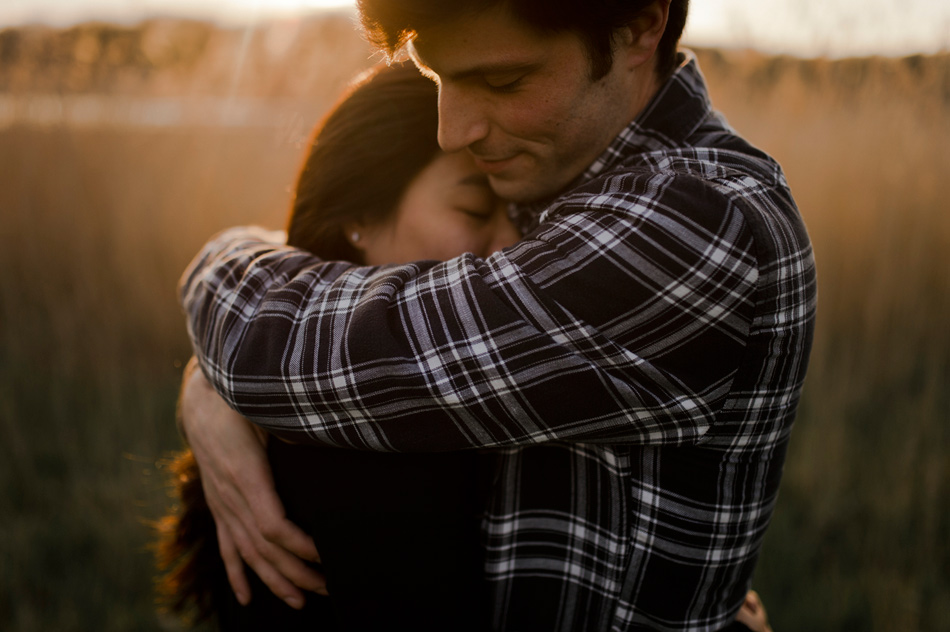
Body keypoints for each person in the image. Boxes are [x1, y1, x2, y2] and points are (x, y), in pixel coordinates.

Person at [178, 0, 817, 629]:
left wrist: (219, 333)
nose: (451, 131)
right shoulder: (563, 180)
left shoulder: (695, 223)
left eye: (501, 81)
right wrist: (214, 380)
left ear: (640, 26)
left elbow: (306, 355)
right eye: (435, 78)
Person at [158, 62, 518, 631]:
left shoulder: (275, 376)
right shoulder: (365, 454)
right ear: (359, 216)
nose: (513, 243)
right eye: (475, 211)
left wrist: (207, 382)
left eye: (520, 214)